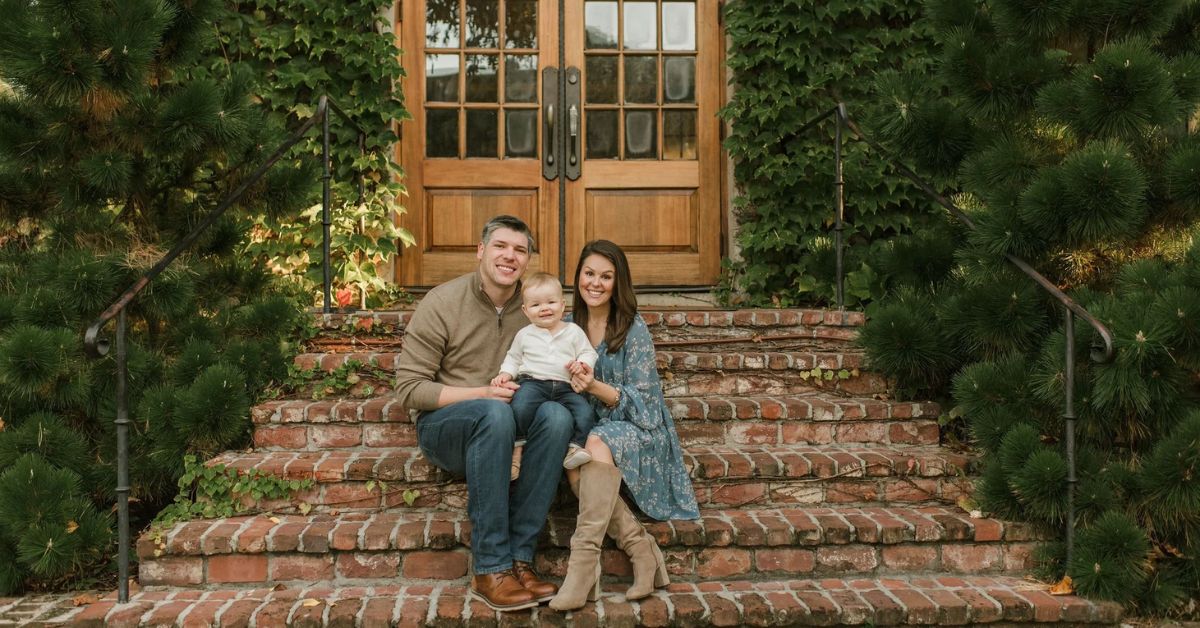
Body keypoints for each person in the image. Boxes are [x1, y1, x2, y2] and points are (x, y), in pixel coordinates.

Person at [393, 215, 573, 612]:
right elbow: (409, 389)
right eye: (500, 246)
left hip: (511, 423)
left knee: (558, 417)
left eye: (520, 250)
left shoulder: (536, 307)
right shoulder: (442, 302)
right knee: (493, 414)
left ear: (527, 261)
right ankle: (490, 568)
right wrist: (483, 394)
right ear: (480, 250)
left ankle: (520, 561)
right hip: (447, 428)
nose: (510, 256)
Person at [549, 240, 701, 611]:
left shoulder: (632, 328)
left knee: (594, 444)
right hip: (590, 427)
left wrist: (594, 386)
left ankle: (582, 570)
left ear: (618, 283)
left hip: (639, 429)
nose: (595, 283)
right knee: (576, 457)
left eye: (606, 276)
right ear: (578, 277)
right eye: (589, 274)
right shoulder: (568, 327)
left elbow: (646, 407)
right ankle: (640, 549)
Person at [493, 272, 599, 476]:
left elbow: (588, 352)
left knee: (585, 412)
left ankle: (575, 448)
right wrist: (505, 374)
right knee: (520, 406)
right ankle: (517, 449)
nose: (544, 308)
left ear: (562, 305)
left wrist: (582, 364)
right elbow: (513, 358)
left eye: (551, 302)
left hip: (566, 387)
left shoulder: (573, 331)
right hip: (533, 384)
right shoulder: (525, 334)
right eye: (536, 305)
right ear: (525, 310)